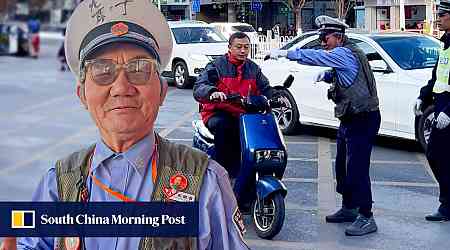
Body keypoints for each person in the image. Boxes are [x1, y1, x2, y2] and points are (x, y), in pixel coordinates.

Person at [12, 1, 249, 249]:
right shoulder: (58, 183)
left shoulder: (205, 182)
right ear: (82, 95)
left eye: (139, 68)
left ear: (162, 91)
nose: (122, 88)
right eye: (103, 70)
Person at [270, 15, 381, 236]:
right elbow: (347, 74)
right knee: (342, 166)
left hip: (363, 118)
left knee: (357, 169)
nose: (323, 42)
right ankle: (350, 207)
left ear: (338, 37)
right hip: (350, 117)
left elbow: (317, 56)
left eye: (325, 37)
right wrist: (329, 75)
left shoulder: (344, 52)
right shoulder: (348, 53)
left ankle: (367, 216)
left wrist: (287, 53)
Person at [193, 32, 276, 207]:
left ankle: (249, 182)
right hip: (218, 113)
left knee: (261, 133)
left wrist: (274, 97)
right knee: (227, 127)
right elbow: (199, 86)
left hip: (245, 115)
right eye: (238, 47)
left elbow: (266, 88)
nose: (243, 50)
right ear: (229, 48)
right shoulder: (215, 66)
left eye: (246, 47)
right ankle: (227, 175)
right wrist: (212, 92)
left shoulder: (253, 69)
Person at [413, 0, 450, 222]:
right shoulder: (445, 43)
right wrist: (422, 95)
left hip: (448, 111)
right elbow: (438, 77)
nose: (439, 18)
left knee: (438, 155)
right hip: (440, 107)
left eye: (444, 15)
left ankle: (447, 206)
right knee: (437, 155)